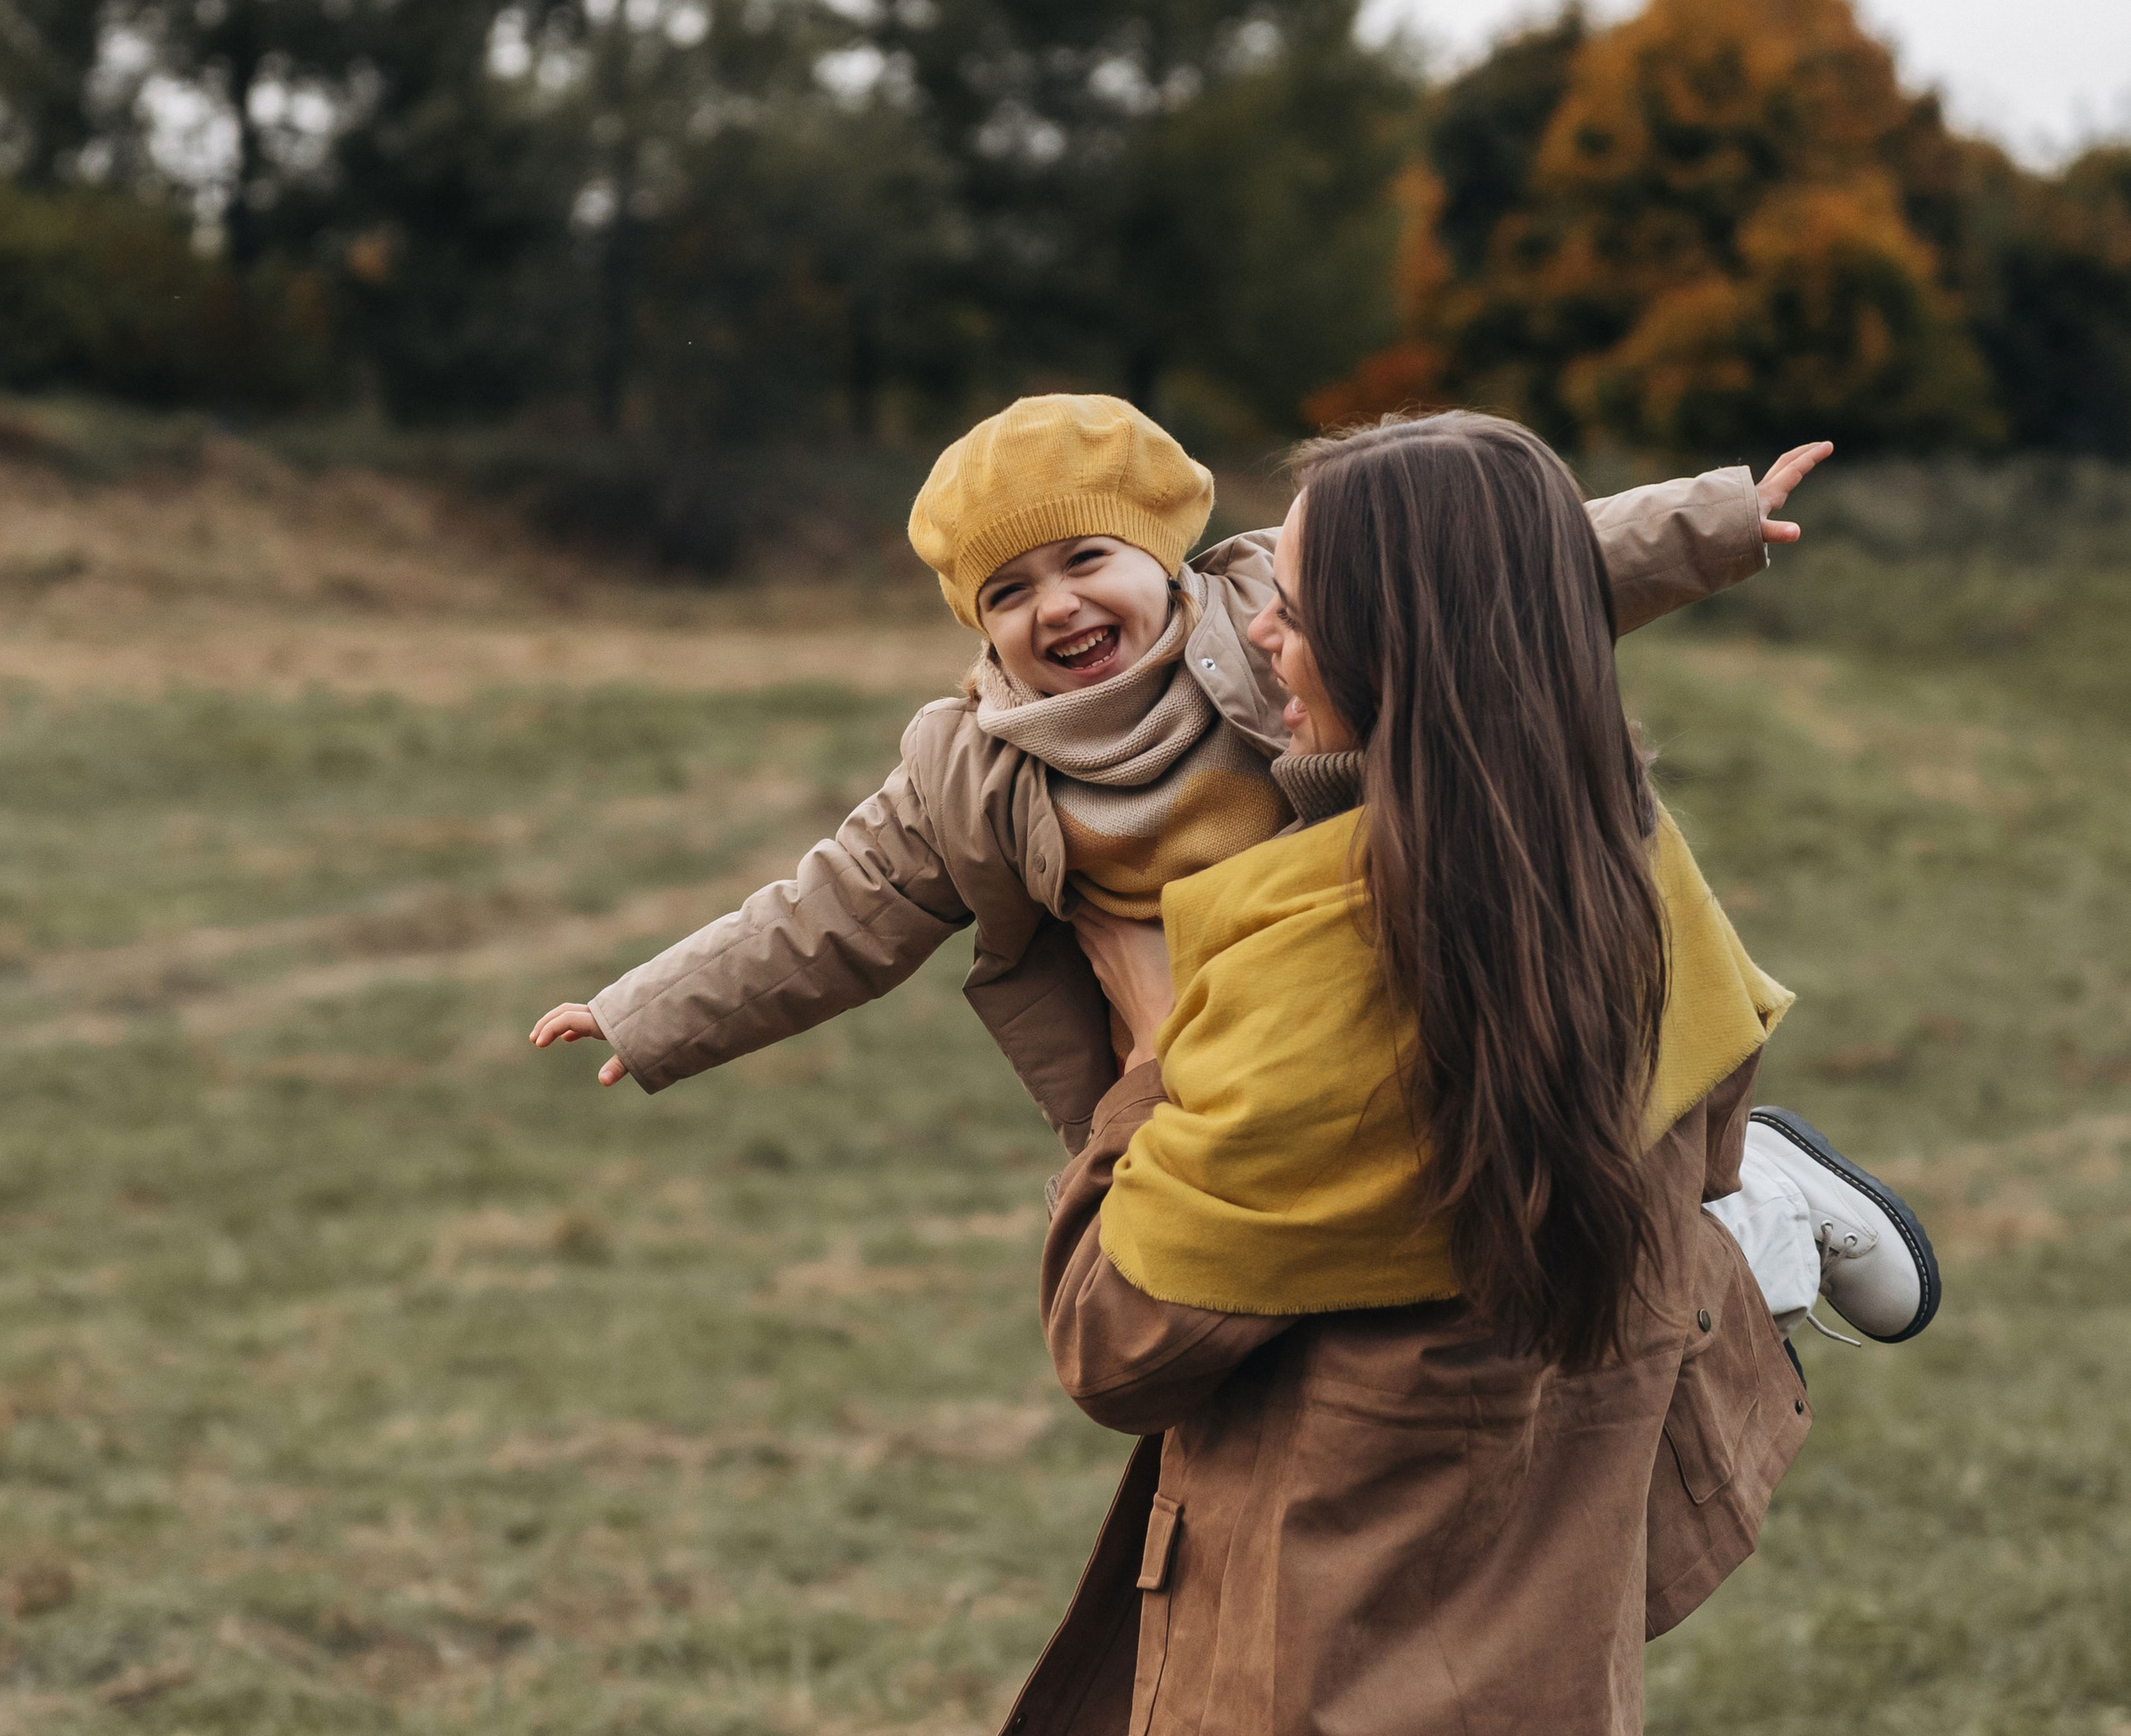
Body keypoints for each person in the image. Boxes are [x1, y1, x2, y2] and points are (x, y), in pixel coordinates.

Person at [978, 411, 1920, 1736]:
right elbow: (1692, 1153)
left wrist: (1139, 1032)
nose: (1250, 628)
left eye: (1287, 595)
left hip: (1326, 1694)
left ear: (1393, 641)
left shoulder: (1311, 971)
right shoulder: (1603, 856)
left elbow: (1114, 1336)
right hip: (1455, 1654)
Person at [530, 392, 1925, 1342]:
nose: (1056, 606)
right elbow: (832, 910)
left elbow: (1507, 572)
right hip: (1213, 1067)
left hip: (1407, 982)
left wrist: (1720, 520)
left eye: (1086, 559)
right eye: (1008, 593)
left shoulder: (1272, 598)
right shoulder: (967, 767)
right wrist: (653, 1008)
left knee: (1536, 1242)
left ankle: (1754, 1209)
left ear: (1163, 552)